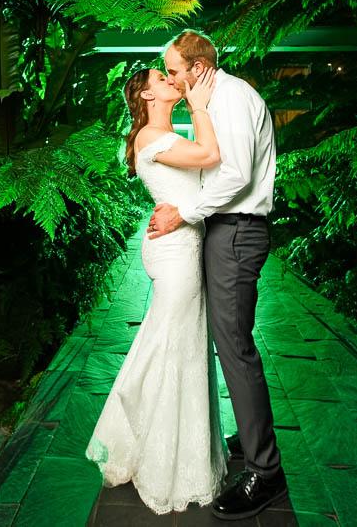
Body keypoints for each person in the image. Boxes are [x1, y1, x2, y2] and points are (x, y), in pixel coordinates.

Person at [148, 30, 287, 520]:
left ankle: (264, 471)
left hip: (235, 231)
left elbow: (234, 176)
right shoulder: (217, 98)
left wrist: (183, 213)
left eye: (175, 71)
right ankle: (252, 434)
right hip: (226, 230)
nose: (171, 79)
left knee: (234, 345)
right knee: (230, 341)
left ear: (199, 67)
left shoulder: (230, 97)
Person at [85, 64, 228, 514]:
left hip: (180, 246)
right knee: (176, 347)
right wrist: (201, 104)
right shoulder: (151, 138)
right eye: (160, 79)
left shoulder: (166, 135)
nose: (170, 80)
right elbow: (211, 157)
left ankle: (176, 447)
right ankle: (164, 457)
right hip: (177, 253)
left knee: (183, 345)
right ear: (147, 97)